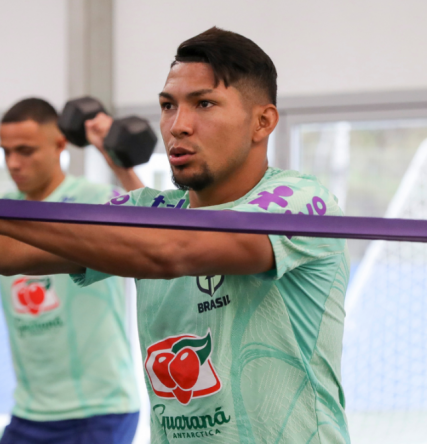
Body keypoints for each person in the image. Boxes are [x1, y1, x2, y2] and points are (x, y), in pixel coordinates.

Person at [0, 27, 350, 444]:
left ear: (263, 121)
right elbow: (9, 251)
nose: (178, 126)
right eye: (168, 106)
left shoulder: (300, 201)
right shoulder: (149, 209)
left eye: (204, 103)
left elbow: (173, 253)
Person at [0, 98, 142, 443]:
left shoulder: (95, 200)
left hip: (100, 408)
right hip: (30, 409)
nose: (13, 163)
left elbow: (164, 235)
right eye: (6, 152)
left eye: (25, 151)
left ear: (60, 145)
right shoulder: (6, 208)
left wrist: (117, 160)